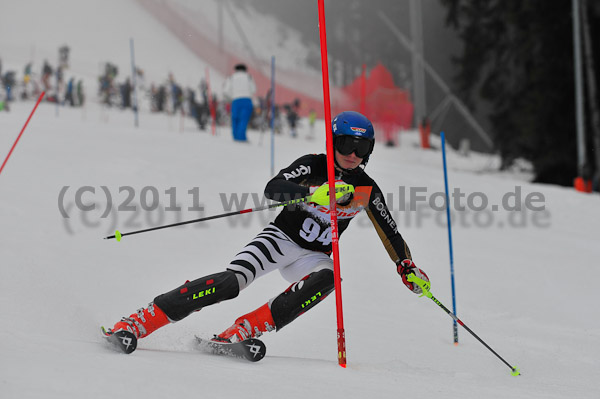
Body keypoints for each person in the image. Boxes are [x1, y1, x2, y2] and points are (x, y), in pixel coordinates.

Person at [105, 111, 429, 349]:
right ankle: (143, 319)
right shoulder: (314, 165)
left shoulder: (366, 188)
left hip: (313, 257)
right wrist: (310, 192)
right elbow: (273, 188)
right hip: (279, 240)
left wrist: (406, 266)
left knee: (330, 277)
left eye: (362, 148)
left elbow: (391, 233)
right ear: (332, 140)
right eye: (346, 144)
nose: (352, 154)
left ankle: (247, 328)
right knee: (231, 283)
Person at [222, 63, 256, 142]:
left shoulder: (231, 78)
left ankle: (235, 137)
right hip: (247, 100)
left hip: (236, 100)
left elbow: (226, 91)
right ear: (245, 70)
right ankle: (241, 137)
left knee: (235, 119)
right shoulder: (249, 77)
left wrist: (231, 96)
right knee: (243, 119)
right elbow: (254, 90)